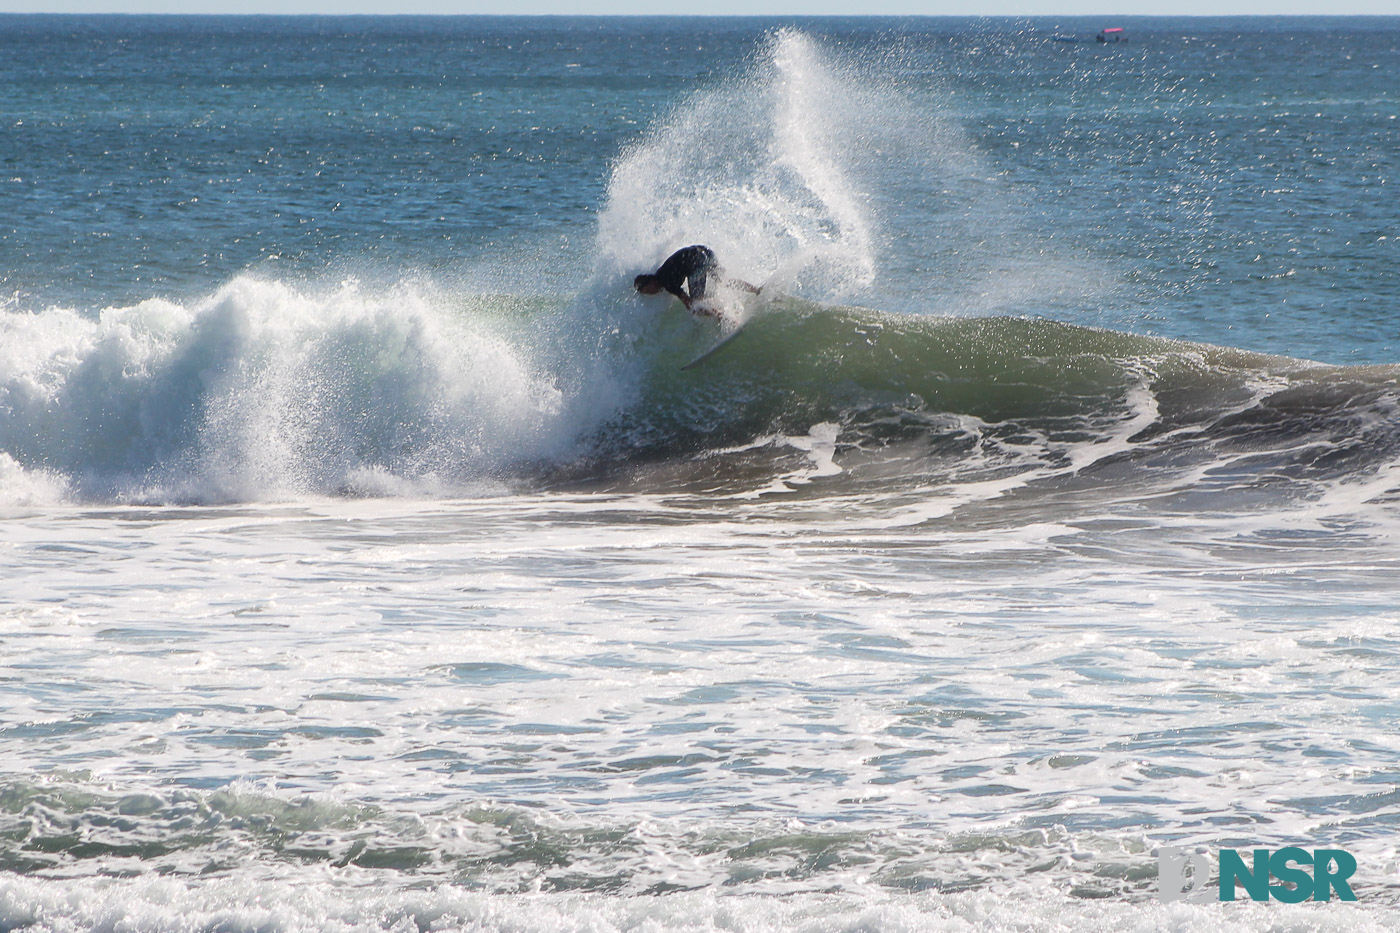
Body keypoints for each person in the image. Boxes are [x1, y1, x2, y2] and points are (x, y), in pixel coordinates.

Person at [633, 245, 758, 318]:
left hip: (696, 263)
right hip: (706, 253)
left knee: (697, 305)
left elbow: (688, 302)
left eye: (648, 290)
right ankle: (757, 290)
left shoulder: (666, 282)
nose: (651, 293)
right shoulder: (663, 271)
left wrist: (694, 312)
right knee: (724, 281)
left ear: (650, 282)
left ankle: (724, 317)